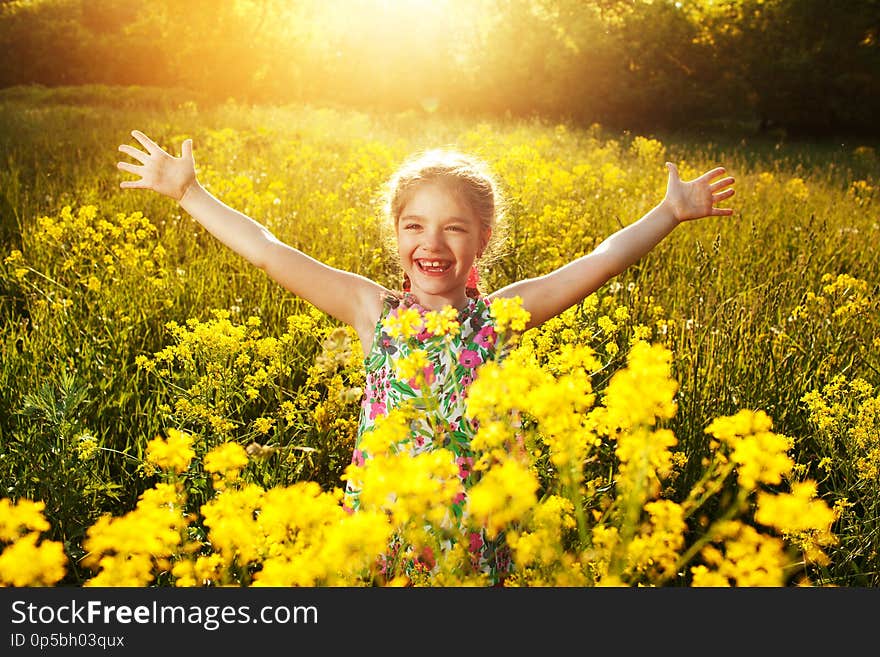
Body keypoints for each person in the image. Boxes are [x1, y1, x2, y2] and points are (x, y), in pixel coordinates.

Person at [117, 130, 735, 584]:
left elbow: (602, 259)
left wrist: (670, 212)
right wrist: (189, 193)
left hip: (480, 531)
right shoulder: (372, 311)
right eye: (414, 227)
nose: (431, 244)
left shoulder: (503, 317)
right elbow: (267, 250)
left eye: (454, 229)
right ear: (397, 235)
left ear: (483, 240)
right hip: (383, 525)